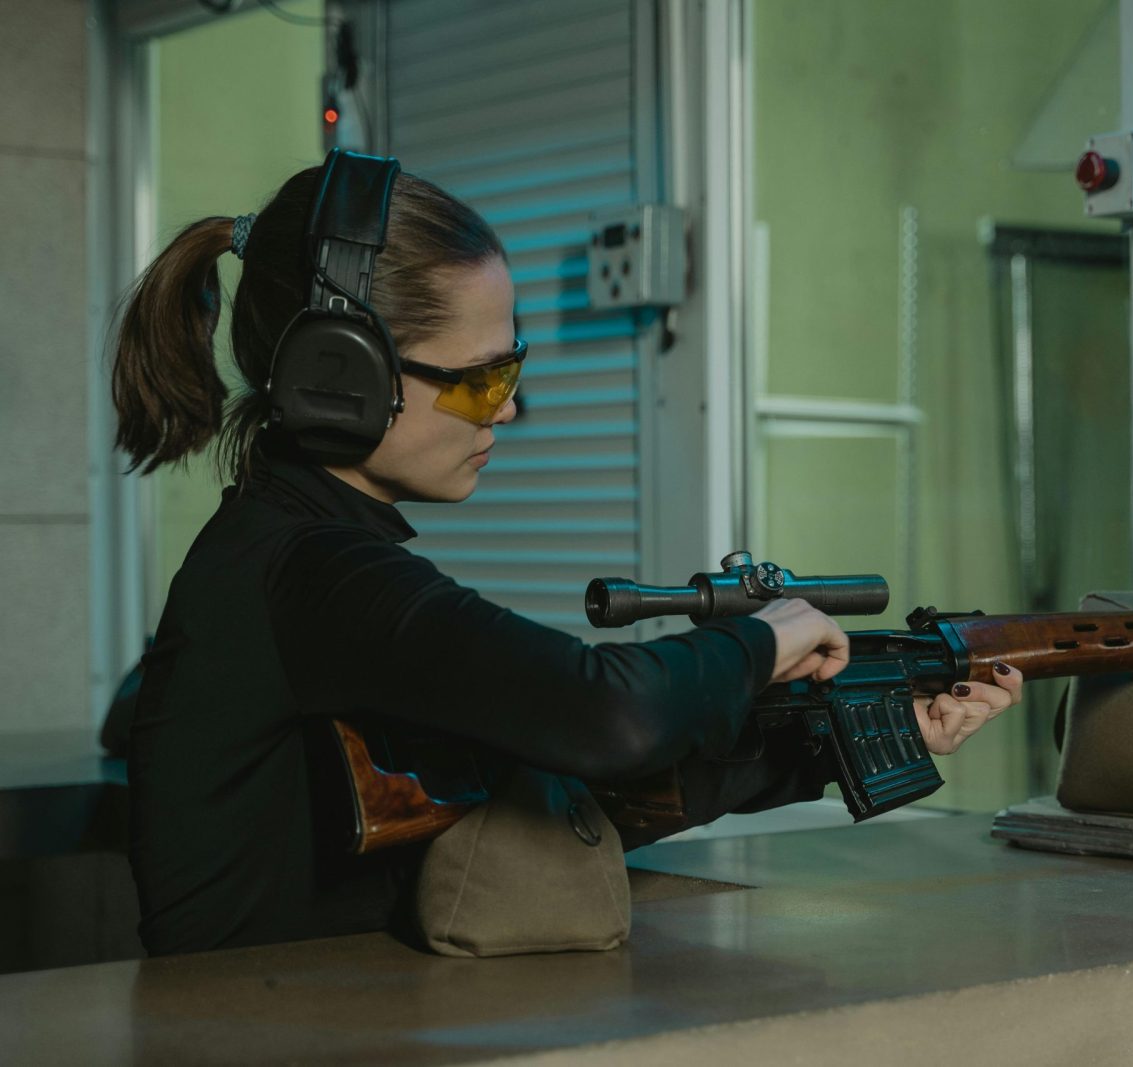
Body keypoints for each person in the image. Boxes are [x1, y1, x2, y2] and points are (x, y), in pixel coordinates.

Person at [110, 152, 1022, 957]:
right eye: (482, 379)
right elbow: (607, 718)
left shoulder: (304, 554)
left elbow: (569, 790)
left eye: (513, 370)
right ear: (339, 379)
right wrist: (766, 637)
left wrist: (841, 733)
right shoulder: (310, 574)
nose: (507, 410)